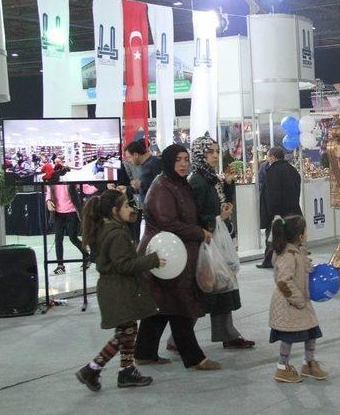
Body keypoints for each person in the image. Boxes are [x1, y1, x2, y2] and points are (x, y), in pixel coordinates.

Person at [134, 144, 220, 371]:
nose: (183, 164)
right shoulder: (162, 186)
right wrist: (199, 232)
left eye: (186, 159)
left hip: (175, 255)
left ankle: (144, 352)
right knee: (179, 304)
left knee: (163, 305)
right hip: (165, 256)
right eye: (178, 160)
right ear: (169, 162)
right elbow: (167, 222)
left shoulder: (177, 183)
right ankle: (194, 357)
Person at [75, 190, 163, 392]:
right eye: (126, 206)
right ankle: (92, 368)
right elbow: (125, 265)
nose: (130, 209)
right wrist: (153, 260)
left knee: (127, 331)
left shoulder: (105, 230)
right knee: (126, 333)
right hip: (119, 290)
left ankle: (126, 371)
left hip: (114, 289)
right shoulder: (117, 235)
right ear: (115, 210)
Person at [172, 134, 254, 350]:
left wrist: (226, 188)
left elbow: (217, 204)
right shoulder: (198, 181)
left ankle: (225, 334)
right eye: (211, 152)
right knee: (207, 290)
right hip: (207, 241)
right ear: (200, 154)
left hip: (215, 238)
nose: (216, 155)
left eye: (217, 151)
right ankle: (180, 338)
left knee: (219, 288)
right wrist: (217, 218)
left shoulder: (208, 178)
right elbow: (194, 215)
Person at [269, 215, 327, 383]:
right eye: (306, 231)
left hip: (300, 302)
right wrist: (298, 300)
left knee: (312, 331)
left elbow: (302, 269)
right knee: (289, 336)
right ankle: (282, 367)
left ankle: (309, 363)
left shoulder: (297, 250)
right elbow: (283, 281)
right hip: (290, 303)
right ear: (300, 235)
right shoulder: (287, 255)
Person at [258, 147, 302, 269]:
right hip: (293, 209)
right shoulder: (293, 170)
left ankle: (268, 261)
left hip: (277, 211)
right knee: (291, 237)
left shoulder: (272, 171)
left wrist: (273, 212)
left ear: (272, 157)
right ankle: (293, 259)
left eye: (267, 156)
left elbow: (273, 194)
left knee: (273, 236)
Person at [46, 184, 97, 274]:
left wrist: (99, 185)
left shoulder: (71, 180)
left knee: (72, 238)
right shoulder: (53, 180)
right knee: (58, 239)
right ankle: (60, 266)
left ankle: (86, 256)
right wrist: (48, 201)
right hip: (58, 213)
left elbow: (86, 188)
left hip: (72, 213)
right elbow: (49, 192)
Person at [124, 140, 163, 240]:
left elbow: (161, 185)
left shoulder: (154, 163)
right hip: (150, 211)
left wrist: (141, 184)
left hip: (157, 211)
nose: (128, 161)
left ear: (136, 154)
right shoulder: (145, 165)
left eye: (129, 157)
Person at [256, 158, 272, 268]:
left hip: (270, 209)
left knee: (270, 236)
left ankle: (268, 261)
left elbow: (260, 183)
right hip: (281, 210)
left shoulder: (264, 168)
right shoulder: (289, 169)